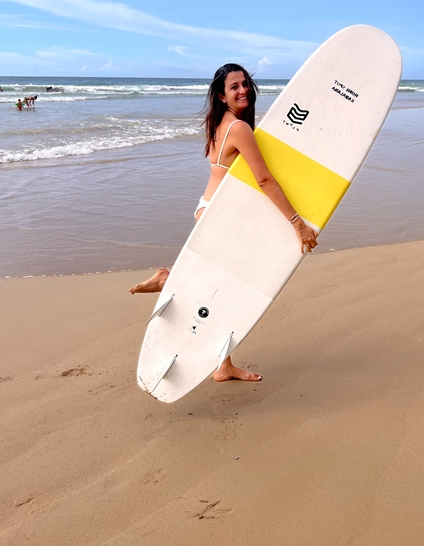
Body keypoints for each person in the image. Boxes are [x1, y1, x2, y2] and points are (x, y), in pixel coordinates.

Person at [128, 63, 318, 383]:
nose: (243, 90)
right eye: (234, 87)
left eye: (245, 84)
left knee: (224, 292)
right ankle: (169, 279)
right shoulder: (240, 129)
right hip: (219, 219)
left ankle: (223, 363)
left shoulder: (220, 124)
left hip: (208, 211)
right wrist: (297, 223)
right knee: (229, 292)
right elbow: (263, 179)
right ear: (221, 95)